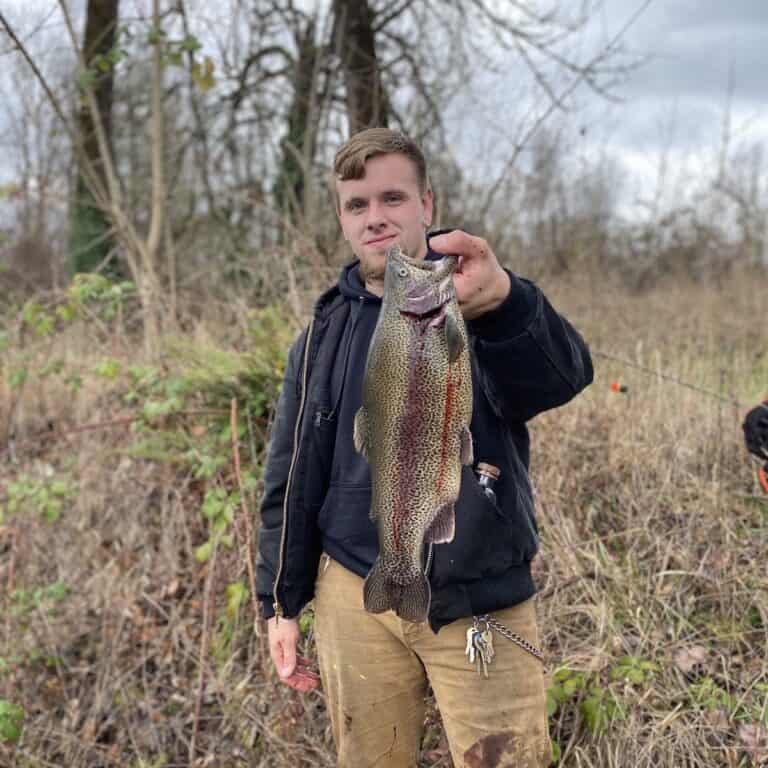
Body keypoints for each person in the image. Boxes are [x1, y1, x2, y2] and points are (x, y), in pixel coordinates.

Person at [256, 128, 593, 767]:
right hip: (353, 593)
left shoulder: (476, 297)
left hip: (478, 600)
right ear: (341, 217)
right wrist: (280, 602)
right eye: (358, 205)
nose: (376, 218)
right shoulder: (322, 334)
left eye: (393, 199)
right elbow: (290, 475)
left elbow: (565, 377)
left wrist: (510, 306)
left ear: (426, 205)